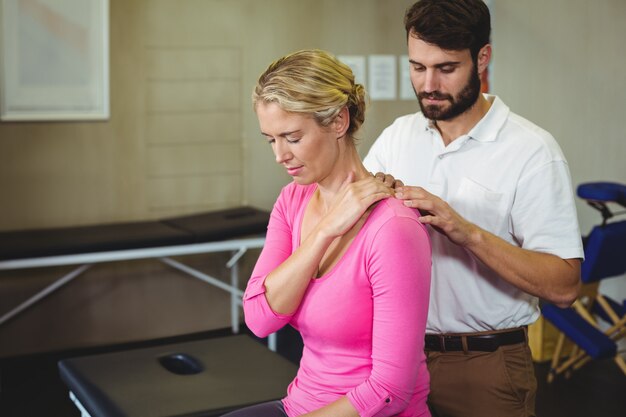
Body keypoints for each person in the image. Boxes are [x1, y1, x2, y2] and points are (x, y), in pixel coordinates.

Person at [363, 1, 584, 416]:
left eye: (446, 69)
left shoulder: (532, 151)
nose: (428, 84)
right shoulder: (398, 136)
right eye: (417, 67)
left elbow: (565, 286)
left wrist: (467, 232)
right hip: (397, 358)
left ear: (483, 57)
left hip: (485, 365)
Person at [222, 49, 432, 417]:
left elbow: (390, 391)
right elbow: (259, 318)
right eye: (271, 139)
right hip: (301, 405)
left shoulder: (393, 229)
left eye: (292, 137)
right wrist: (324, 232)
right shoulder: (292, 201)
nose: (280, 155)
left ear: (338, 121)